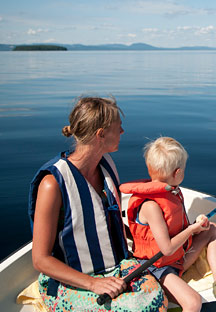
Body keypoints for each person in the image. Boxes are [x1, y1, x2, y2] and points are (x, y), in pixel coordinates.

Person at [28, 96, 168, 311]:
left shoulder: (106, 165)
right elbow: (41, 260)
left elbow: (105, 221)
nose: (122, 132)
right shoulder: (52, 184)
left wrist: (145, 236)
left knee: (157, 299)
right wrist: (93, 284)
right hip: (74, 280)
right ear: (100, 134)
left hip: (116, 268)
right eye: (118, 128)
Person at [120, 137, 216, 312]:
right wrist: (192, 229)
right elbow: (166, 249)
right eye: (183, 169)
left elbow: (173, 228)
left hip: (178, 256)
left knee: (212, 229)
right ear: (177, 173)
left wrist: (196, 227)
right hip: (157, 269)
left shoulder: (171, 191)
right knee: (193, 303)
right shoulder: (151, 206)